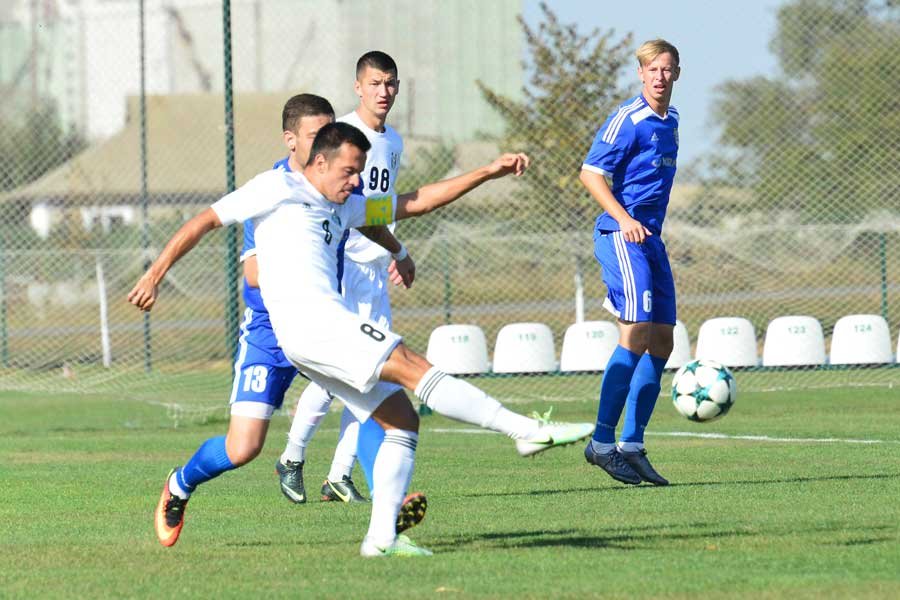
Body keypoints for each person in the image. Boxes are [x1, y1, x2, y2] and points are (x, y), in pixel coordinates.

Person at [131, 122, 594, 557]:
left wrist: (488, 172)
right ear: (319, 162)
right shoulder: (276, 187)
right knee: (410, 365)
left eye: (359, 172)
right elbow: (204, 221)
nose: (356, 181)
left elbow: (416, 202)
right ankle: (523, 431)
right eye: (349, 171)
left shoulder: (346, 205)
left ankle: (381, 538)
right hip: (312, 326)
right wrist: (154, 275)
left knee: (401, 420)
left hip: (313, 332)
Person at [277, 51, 405, 504]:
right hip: (344, 267)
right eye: (375, 83)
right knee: (338, 373)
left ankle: (338, 475)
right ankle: (293, 456)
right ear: (358, 87)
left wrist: (397, 251)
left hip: (374, 270)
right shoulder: (341, 135)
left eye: (390, 83)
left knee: (370, 375)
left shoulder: (393, 140)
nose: (383, 92)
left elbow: (380, 207)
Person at [579, 39, 681, 487]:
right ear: (640, 73)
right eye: (652, 69)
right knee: (636, 329)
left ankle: (632, 444)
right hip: (621, 235)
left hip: (651, 240)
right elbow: (590, 173)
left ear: (677, 74)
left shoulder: (672, 121)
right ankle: (602, 443)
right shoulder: (628, 118)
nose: (659, 76)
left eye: (667, 69)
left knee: (662, 340)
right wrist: (624, 219)